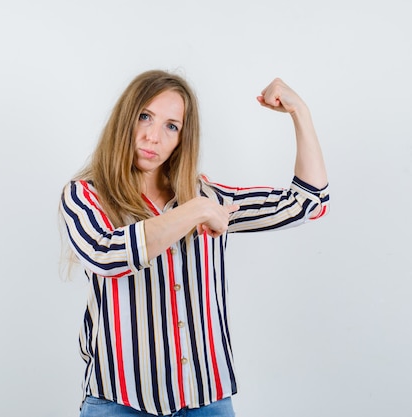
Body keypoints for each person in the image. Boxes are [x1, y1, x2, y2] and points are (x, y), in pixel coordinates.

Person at [59, 69, 329, 417]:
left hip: (206, 402)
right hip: (119, 401)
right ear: (124, 119)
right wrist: (197, 211)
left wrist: (300, 112)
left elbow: (309, 203)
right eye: (145, 117)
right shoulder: (85, 195)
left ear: (182, 138)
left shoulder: (208, 196)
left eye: (172, 126)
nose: (153, 136)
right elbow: (106, 253)